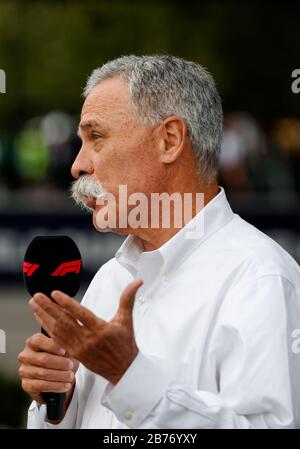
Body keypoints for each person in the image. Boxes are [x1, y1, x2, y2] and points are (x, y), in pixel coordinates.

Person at [18, 55, 300, 429]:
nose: (77, 165)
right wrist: (59, 403)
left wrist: (130, 377)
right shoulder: (109, 279)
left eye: (96, 137)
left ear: (169, 140)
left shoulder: (260, 280)